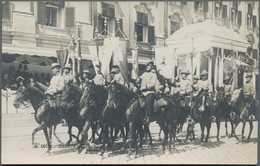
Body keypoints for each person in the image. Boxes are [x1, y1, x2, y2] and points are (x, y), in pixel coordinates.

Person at [136, 59, 158, 125]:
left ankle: (148, 117)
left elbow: (153, 84)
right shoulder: (143, 74)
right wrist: (137, 80)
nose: (147, 66)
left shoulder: (153, 74)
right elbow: (139, 80)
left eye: (149, 65)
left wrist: (144, 87)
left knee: (148, 103)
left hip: (149, 92)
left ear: (152, 66)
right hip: (142, 92)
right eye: (146, 65)